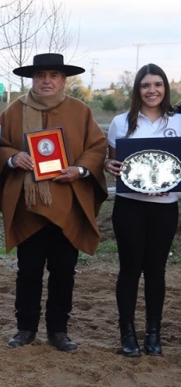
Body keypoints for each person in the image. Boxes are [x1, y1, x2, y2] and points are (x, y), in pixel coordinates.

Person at [0, 53, 108, 352]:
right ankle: (25, 328)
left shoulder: (81, 112)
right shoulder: (14, 111)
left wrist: (79, 170)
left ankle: (58, 330)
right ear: (32, 79)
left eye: (54, 75)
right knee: (27, 271)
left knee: (64, 271)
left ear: (63, 80)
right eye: (41, 75)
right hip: (29, 209)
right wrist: (13, 158)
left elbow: (97, 147)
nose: (47, 81)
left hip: (67, 206)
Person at [104, 63, 181, 357]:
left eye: (158, 85)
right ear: (138, 89)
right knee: (129, 270)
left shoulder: (178, 120)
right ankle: (127, 333)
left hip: (165, 207)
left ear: (165, 88)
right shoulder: (121, 122)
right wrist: (109, 166)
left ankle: (153, 334)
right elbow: (113, 163)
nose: (152, 90)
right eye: (146, 85)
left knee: (156, 271)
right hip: (130, 207)